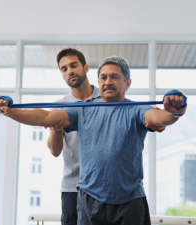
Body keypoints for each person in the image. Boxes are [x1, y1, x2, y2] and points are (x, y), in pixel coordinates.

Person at [0, 56, 186, 225]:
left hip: (129, 201)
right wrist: (10, 111)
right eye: (103, 77)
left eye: (114, 77)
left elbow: (160, 118)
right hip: (90, 200)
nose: (108, 81)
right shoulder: (83, 109)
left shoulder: (137, 110)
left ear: (127, 83)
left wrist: (176, 111)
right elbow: (44, 116)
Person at [45, 48, 165, 225]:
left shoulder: (107, 95)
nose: (69, 71)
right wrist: (56, 128)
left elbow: (150, 120)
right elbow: (55, 151)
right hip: (74, 187)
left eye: (73, 65)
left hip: (115, 189)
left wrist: (161, 120)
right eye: (64, 69)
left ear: (86, 68)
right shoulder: (60, 106)